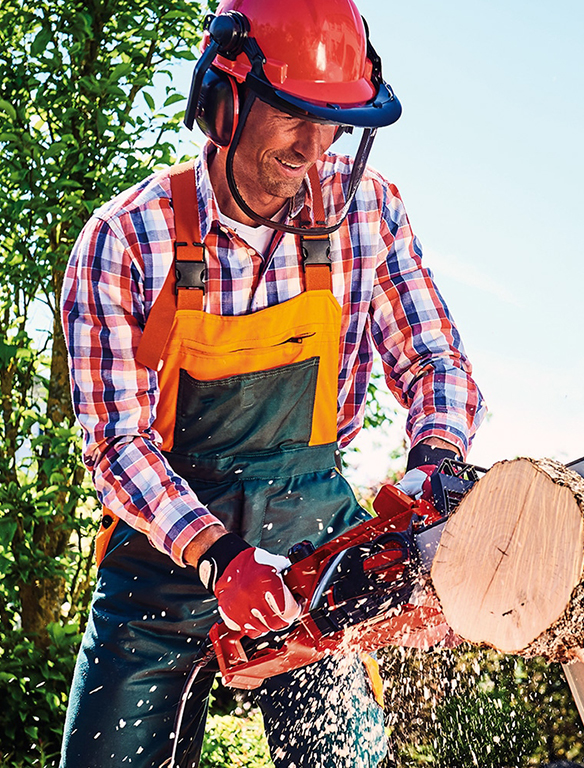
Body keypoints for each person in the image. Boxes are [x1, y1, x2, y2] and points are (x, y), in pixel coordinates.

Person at [59, 0, 484, 765]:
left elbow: (434, 360)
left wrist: (438, 464)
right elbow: (116, 446)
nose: (315, 148)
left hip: (316, 556)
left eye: (334, 123)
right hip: (162, 565)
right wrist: (220, 555)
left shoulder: (367, 214)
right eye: (294, 115)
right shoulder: (125, 242)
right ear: (223, 103)